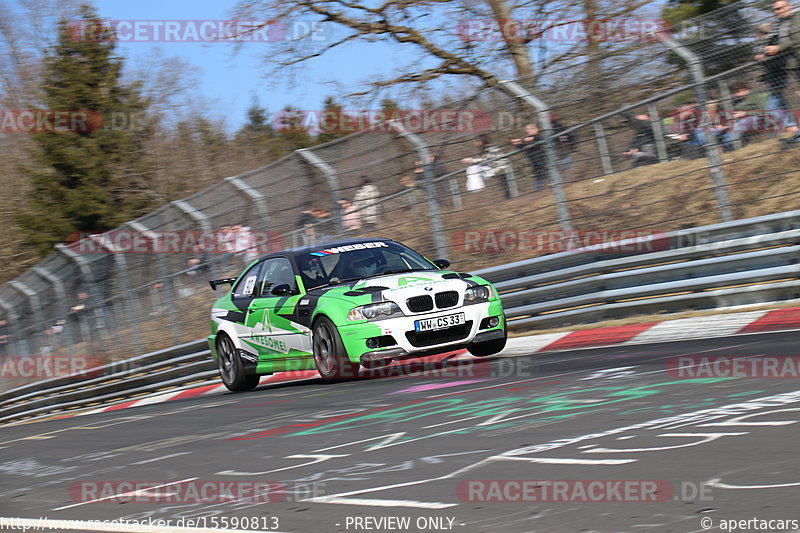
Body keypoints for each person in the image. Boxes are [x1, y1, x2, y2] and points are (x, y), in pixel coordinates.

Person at [511, 124, 548, 191]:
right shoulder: (527, 140)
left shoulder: (540, 136)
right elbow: (524, 147)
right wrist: (518, 144)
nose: (527, 131)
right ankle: (540, 190)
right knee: (538, 180)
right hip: (535, 163)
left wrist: (533, 138)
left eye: (530, 128)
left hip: (545, 161)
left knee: (545, 178)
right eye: (526, 129)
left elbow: (543, 140)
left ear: (537, 129)